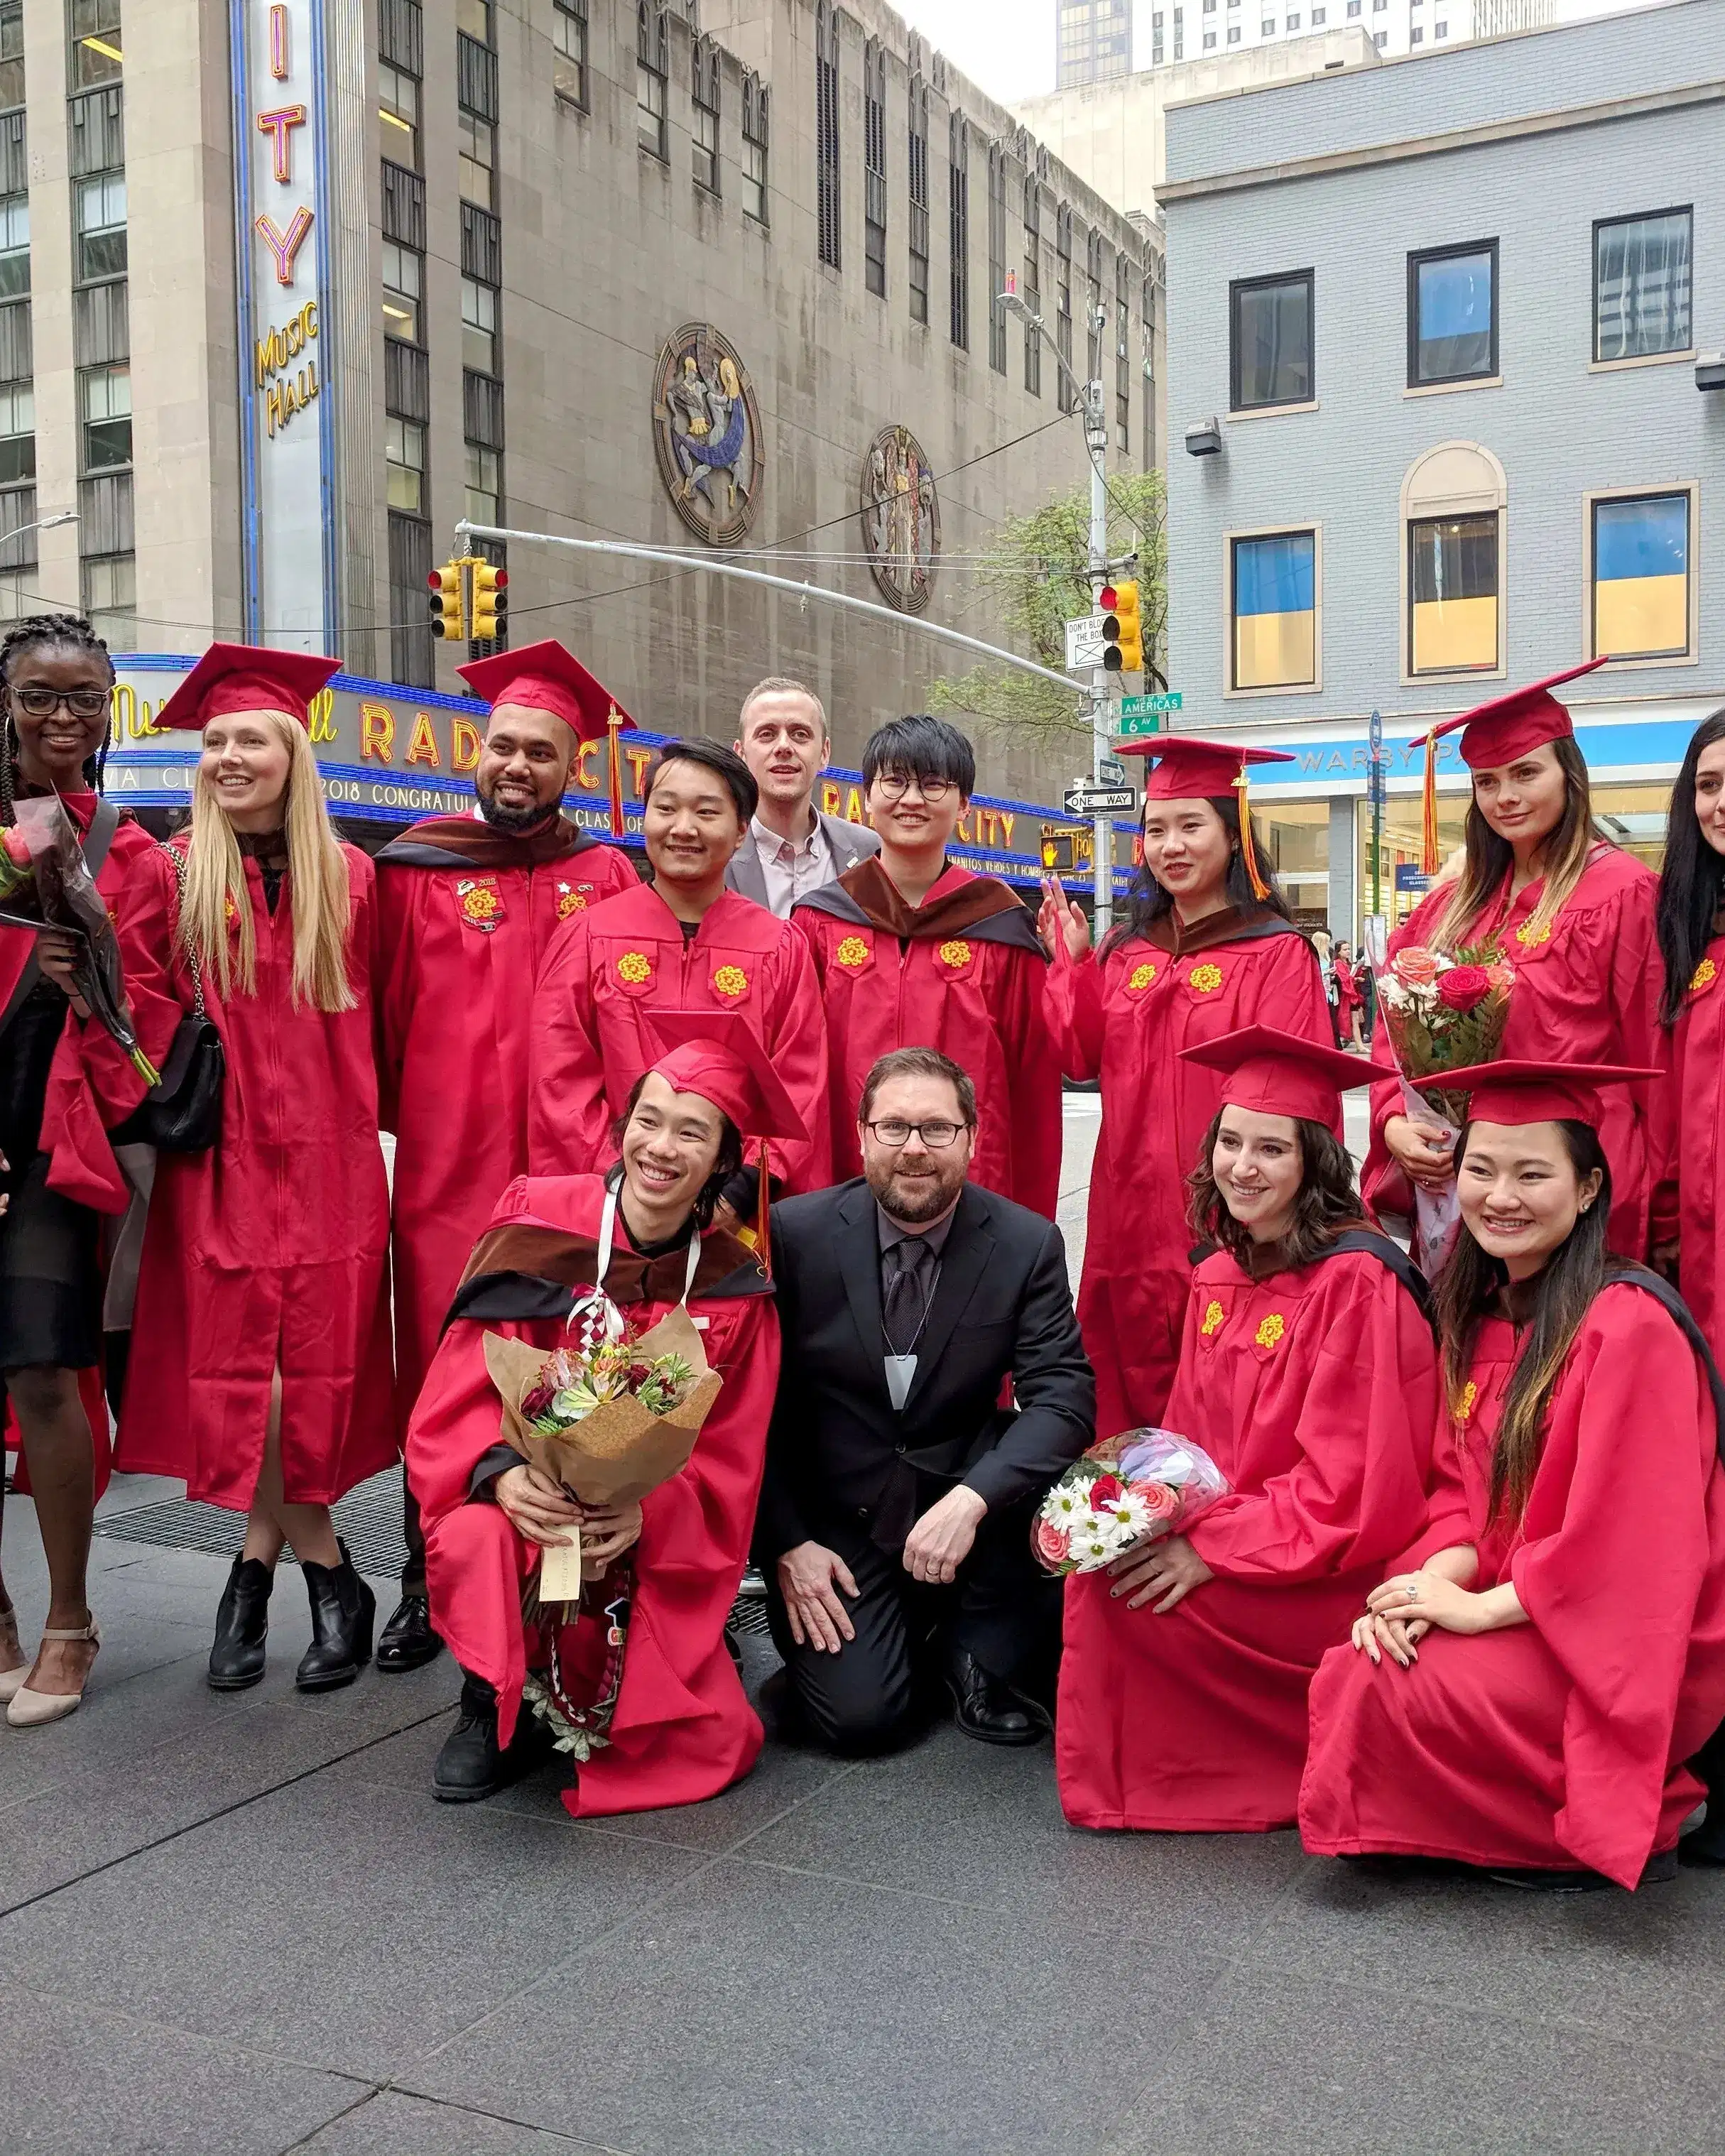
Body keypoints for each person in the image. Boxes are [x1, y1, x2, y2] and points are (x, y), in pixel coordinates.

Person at [54, 644, 396, 1695]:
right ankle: (330, 1571)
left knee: (308, 1374)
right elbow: (143, 1015)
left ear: (294, 755)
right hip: (225, 1161)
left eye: (250, 739)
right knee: (259, 1375)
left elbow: (383, 1018)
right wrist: (87, 978)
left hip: (336, 1159)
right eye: (213, 742)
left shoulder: (354, 876)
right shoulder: (172, 870)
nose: (228, 756)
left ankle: (252, 1569)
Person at [1301, 1060, 1725, 1890]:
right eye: (1480, 1169)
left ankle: (1602, 1821)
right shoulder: (1481, 1315)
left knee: (1379, 1689)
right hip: (1519, 1605)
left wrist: (1477, 1608)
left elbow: (1629, 1548)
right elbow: (1459, 1494)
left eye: (1532, 1174)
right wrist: (1426, 1587)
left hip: (1611, 1640)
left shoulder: (1625, 1325)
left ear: (1588, 1188)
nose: (1500, 1195)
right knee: (1363, 1662)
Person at [407, 1013, 793, 1812]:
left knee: (699, 1737)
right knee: (480, 1530)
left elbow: (730, 1448)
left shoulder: (732, 1286)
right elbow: (461, 1381)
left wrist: (649, 1507)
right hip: (523, 1499)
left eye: (692, 1134)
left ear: (723, 1161)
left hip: (633, 1518)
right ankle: (487, 1704)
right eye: (648, 1121)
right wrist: (500, 1471)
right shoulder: (541, 1218)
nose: (661, 1148)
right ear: (622, 1129)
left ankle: (620, 1681)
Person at [1057, 1027, 1440, 1833]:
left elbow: (1349, 1493)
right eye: (1229, 1142)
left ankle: (1201, 1779)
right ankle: (1152, 1778)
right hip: (1246, 1532)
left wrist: (1209, 1550)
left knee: (1123, 1602)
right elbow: (1189, 1453)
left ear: (1313, 1162)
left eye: (1271, 1148)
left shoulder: (1357, 1281)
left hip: (1324, 1564)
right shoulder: (1217, 1272)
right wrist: (1142, 1514)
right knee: (1103, 1570)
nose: (1243, 1166)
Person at [373, 640, 637, 1674]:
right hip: (451, 1177)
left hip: (575, 1178)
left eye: (541, 751)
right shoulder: (412, 868)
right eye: (504, 746)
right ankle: (418, 1572)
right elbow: (384, 1022)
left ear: (573, 766)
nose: (517, 765)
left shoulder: (606, 873)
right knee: (437, 1374)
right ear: (476, 754)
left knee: (570, 1369)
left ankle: (564, 1579)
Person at [759, 1046, 1094, 1753]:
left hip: (965, 1500)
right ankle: (913, 1640)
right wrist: (787, 1544)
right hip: (838, 1519)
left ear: (971, 1139)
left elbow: (1062, 1397)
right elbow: (753, 1412)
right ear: (861, 1135)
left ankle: (978, 1654)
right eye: (894, 1128)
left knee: (1059, 1475)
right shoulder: (795, 1236)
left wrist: (973, 1500)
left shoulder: (1024, 1244)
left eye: (937, 1129)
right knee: (860, 1722)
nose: (914, 1149)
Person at [1038, 736, 1332, 1432]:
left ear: (1233, 838)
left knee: (1221, 1402)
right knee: (1122, 1396)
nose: (1170, 845)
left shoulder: (1274, 952)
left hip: (1223, 1218)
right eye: (1155, 829)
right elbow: (1078, 1061)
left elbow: (1300, 1098)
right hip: (1125, 1218)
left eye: (1190, 825)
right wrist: (1074, 970)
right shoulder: (1125, 951)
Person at [1366, 661, 1667, 1262]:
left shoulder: (1622, 892)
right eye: (1485, 781)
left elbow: (1653, 1056)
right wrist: (1392, 1124)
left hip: (1578, 1175)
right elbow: (1389, 1033)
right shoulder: (1451, 904)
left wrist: (1666, 1205)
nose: (1504, 797)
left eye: (1525, 773)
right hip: (1465, 1181)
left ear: (1567, 776)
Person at [0, 614, 157, 1727]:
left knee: (47, 1371)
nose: (64, 717)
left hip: (53, 1147)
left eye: (85, 698)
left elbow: (158, 1021)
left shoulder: (130, 852)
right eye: (41, 695)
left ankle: (67, 1618)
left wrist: (90, 969)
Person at [530, 737, 829, 1212]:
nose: (683, 828)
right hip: (614, 1200)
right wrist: (626, 1181)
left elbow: (799, 1081)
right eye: (665, 808)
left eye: (707, 813)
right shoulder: (588, 936)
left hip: (736, 1210)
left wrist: (740, 1187)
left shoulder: (779, 946)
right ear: (643, 818)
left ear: (740, 831)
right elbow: (561, 1080)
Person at [794, 715, 1061, 1219]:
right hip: (845, 1180)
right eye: (894, 781)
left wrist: (1025, 1223)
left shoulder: (1000, 927)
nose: (911, 799)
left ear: (963, 806)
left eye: (933, 784)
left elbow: (1033, 1092)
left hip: (973, 1185)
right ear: (866, 797)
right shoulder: (818, 921)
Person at [1651, 707, 1725, 1358]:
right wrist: (1668, 1213)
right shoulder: (1690, 932)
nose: (1720, 804)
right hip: (1705, 1235)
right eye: (1707, 786)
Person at [727, 675, 878, 915]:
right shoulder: (717, 852)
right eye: (767, 734)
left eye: (800, 734)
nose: (784, 747)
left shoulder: (870, 853)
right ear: (741, 754)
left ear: (824, 753)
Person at [1333, 941, 1365, 1050]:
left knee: (1355, 1020)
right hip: (1346, 996)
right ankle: (1359, 1045)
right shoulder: (1337, 963)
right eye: (1345, 950)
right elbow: (1343, 980)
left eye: (1349, 949)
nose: (1348, 952)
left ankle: (1359, 1045)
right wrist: (1355, 979)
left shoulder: (1349, 964)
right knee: (1350, 1020)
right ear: (1339, 952)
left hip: (1352, 995)